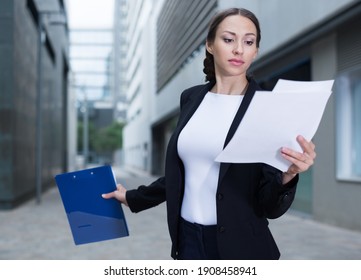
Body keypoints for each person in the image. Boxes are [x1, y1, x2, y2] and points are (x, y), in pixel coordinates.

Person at [102, 7, 316, 260]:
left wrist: (288, 175)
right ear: (210, 45)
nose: (239, 49)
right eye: (228, 39)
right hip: (188, 242)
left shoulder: (266, 108)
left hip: (242, 249)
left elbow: (270, 207)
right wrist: (133, 197)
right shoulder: (191, 98)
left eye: (248, 42)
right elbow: (182, 174)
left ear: (255, 51)